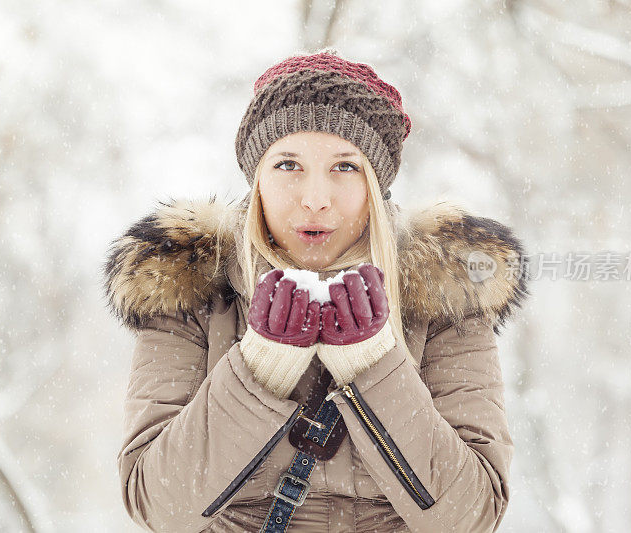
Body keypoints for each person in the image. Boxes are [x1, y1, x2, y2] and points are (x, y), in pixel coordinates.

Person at [103, 48, 530, 533]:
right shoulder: (188, 288)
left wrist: (373, 365)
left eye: (345, 167)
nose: (315, 198)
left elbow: (473, 515)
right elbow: (156, 506)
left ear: (376, 184)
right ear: (256, 178)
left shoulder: (444, 293)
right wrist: (259, 370)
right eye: (288, 165)